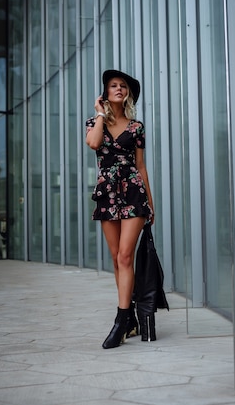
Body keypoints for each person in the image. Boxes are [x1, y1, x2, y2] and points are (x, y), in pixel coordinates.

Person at [85, 69, 154, 349]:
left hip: (134, 193)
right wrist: (101, 113)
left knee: (125, 256)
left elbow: (141, 166)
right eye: (113, 85)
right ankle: (132, 319)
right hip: (108, 193)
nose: (118, 89)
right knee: (116, 259)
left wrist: (151, 203)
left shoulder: (136, 127)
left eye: (123, 86)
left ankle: (120, 320)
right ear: (105, 92)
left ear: (128, 93)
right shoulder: (94, 122)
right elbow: (93, 143)